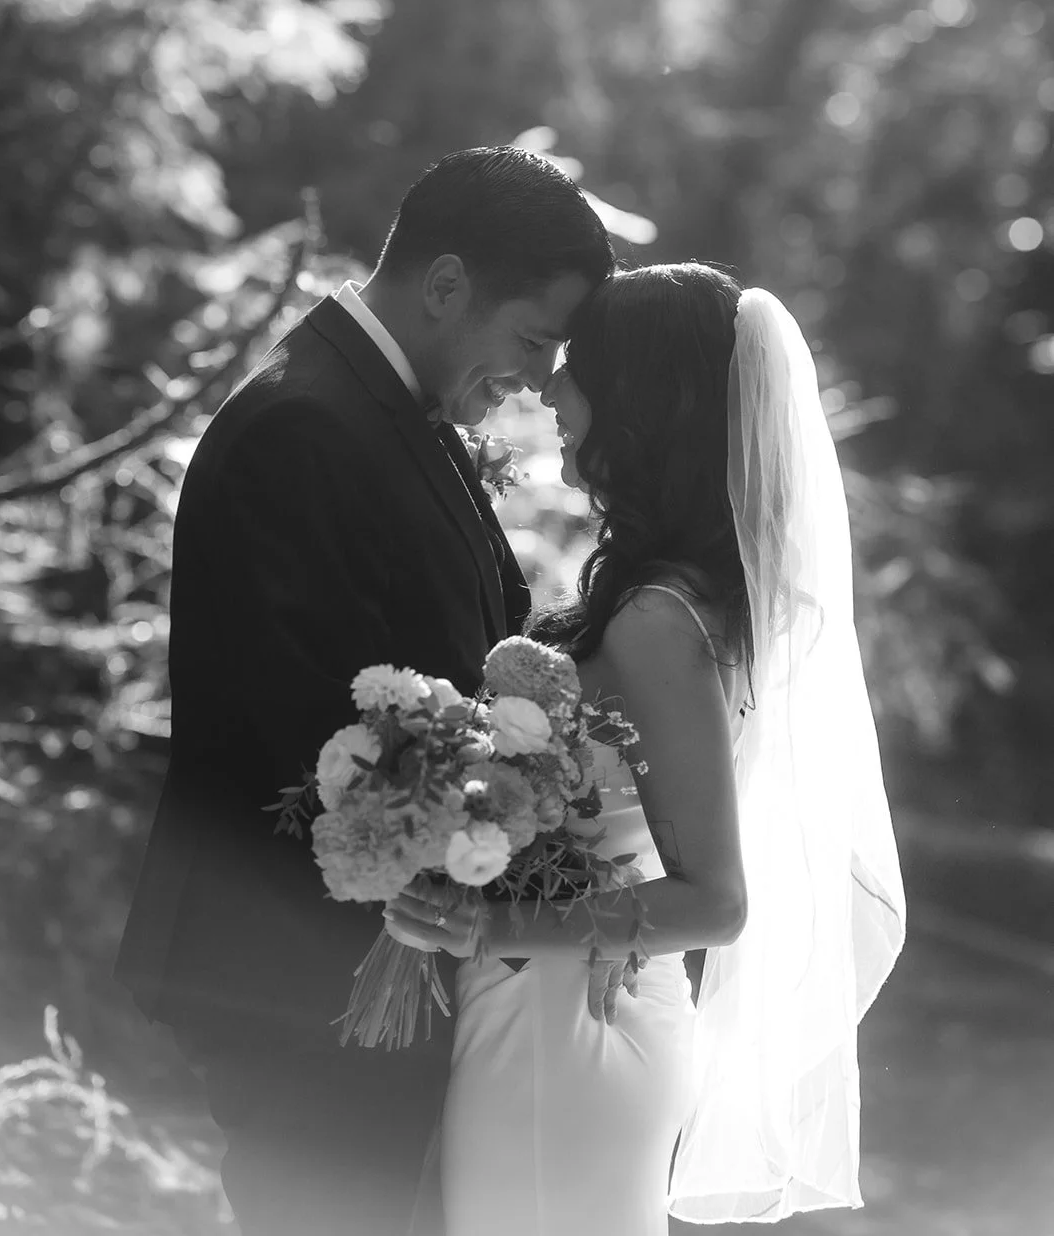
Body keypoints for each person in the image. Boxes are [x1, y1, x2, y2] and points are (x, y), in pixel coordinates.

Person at [113, 146, 615, 1236]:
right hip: (304, 967)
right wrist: (476, 844)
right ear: (443, 286)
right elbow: (290, 725)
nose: (532, 379)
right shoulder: (303, 425)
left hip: (378, 959)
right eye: (529, 341)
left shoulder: (395, 415)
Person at [386, 262, 907, 1235]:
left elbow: (714, 900)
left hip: (565, 1019)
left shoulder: (657, 621)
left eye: (577, 367)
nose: (550, 388)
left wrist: (480, 926)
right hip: (573, 1002)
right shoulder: (686, 599)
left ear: (640, 400)